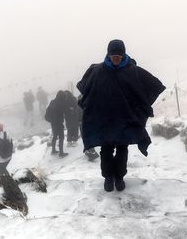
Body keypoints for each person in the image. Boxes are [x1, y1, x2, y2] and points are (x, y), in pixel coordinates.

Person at [77, 39, 166, 192]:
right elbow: (86, 88)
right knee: (106, 149)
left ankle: (119, 177)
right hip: (105, 119)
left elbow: (154, 85)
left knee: (122, 149)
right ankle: (108, 177)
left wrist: (140, 108)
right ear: (108, 55)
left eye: (118, 55)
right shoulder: (98, 71)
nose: (116, 58)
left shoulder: (133, 71)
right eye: (113, 56)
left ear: (123, 54)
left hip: (125, 118)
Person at [45, 90, 69, 157]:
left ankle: (53, 150)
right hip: (58, 122)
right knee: (61, 137)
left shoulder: (53, 101)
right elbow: (64, 112)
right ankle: (61, 153)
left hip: (53, 122)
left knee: (55, 136)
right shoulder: (60, 103)